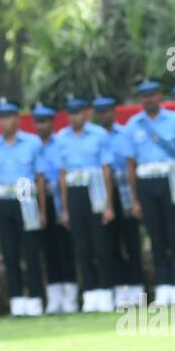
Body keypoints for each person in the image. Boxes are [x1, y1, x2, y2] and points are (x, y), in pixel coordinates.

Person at [124, 79, 175, 306]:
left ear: (160, 96)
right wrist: (135, 199)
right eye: (144, 95)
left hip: (170, 179)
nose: (148, 99)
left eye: (152, 94)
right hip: (146, 180)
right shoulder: (133, 125)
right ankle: (163, 288)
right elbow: (131, 165)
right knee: (156, 237)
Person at [0, 97, 46, 316]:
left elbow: (40, 179)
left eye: (8, 117)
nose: (4, 122)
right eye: (1, 117)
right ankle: (17, 300)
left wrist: (43, 212)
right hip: (4, 200)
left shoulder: (32, 143)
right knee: (10, 254)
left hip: (27, 199)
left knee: (31, 251)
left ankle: (36, 299)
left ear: (17, 119)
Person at [56, 96, 117, 313]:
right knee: (82, 246)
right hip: (75, 190)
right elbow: (62, 176)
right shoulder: (61, 138)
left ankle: (106, 290)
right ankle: (90, 293)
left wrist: (109, 205)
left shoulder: (98, 134)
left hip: (96, 189)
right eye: (70, 113)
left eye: (78, 112)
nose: (74, 117)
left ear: (86, 113)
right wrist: (64, 208)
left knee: (100, 243)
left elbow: (106, 171)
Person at [93, 95, 145, 308]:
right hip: (103, 192)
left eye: (107, 111)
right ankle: (119, 289)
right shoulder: (94, 136)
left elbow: (133, 164)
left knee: (132, 242)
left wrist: (136, 200)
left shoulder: (126, 133)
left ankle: (136, 288)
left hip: (124, 189)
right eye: (100, 111)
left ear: (113, 112)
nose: (104, 115)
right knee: (108, 244)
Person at [33, 101, 76, 314]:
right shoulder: (31, 144)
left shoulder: (60, 143)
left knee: (65, 248)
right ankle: (54, 297)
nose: (41, 126)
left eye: (45, 122)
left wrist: (65, 208)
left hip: (59, 197)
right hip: (39, 198)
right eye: (38, 122)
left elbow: (63, 175)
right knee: (47, 249)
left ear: (52, 122)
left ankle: (69, 297)